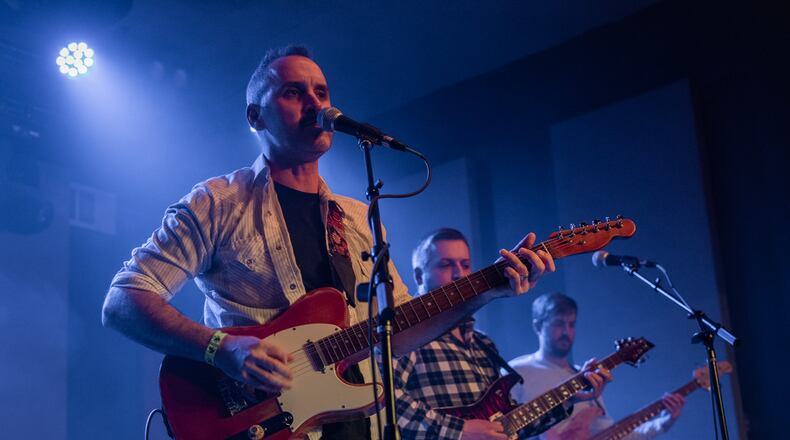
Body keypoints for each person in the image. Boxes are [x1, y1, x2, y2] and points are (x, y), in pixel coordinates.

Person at [100, 45, 555, 439]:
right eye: (293, 92)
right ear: (255, 115)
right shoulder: (218, 202)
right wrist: (222, 349)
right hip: (255, 422)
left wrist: (486, 291)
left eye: (322, 92)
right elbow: (122, 301)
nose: (315, 104)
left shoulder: (356, 217)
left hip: (352, 424)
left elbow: (392, 332)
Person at [394, 229, 611, 440]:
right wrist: (458, 431)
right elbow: (385, 403)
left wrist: (569, 398)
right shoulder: (406, 337)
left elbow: (504, 426)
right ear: (419, 275)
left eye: (465, 264)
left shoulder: (482, 343)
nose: (459, 273)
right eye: (445, 264)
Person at [508, 293, 685, 440]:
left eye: (571, 324)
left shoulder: (585, 377)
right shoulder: (515, 372)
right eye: (558, 324)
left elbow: (611, 435)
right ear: (538, 326)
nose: (566, 332)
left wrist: (663, 423)